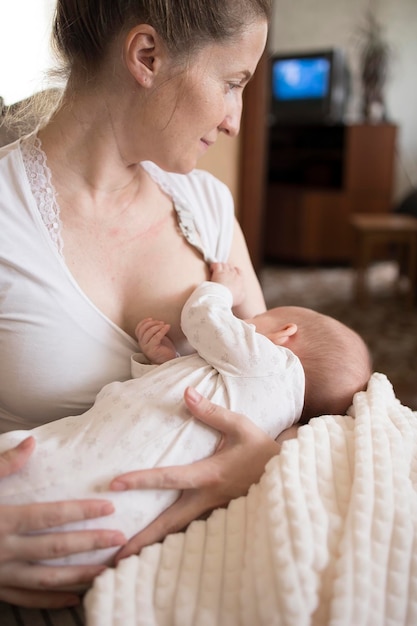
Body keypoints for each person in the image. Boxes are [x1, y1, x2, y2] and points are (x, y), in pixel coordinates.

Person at [0, 0, 289, 609]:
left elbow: (281, 390)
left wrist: (260, 462)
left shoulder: (207, 206)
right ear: (147, 56)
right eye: (232, 83)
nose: (236, 120)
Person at [0, 263, 371, 570]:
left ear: (285, 333)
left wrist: (222, 291)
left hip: (61, 466)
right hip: (114, 531)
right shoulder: (271, 417)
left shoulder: (273, 363)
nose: (246, 323)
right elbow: (178, 413)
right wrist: (162, 364)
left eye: (258, 317)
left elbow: (202, 317)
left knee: (33, 455)